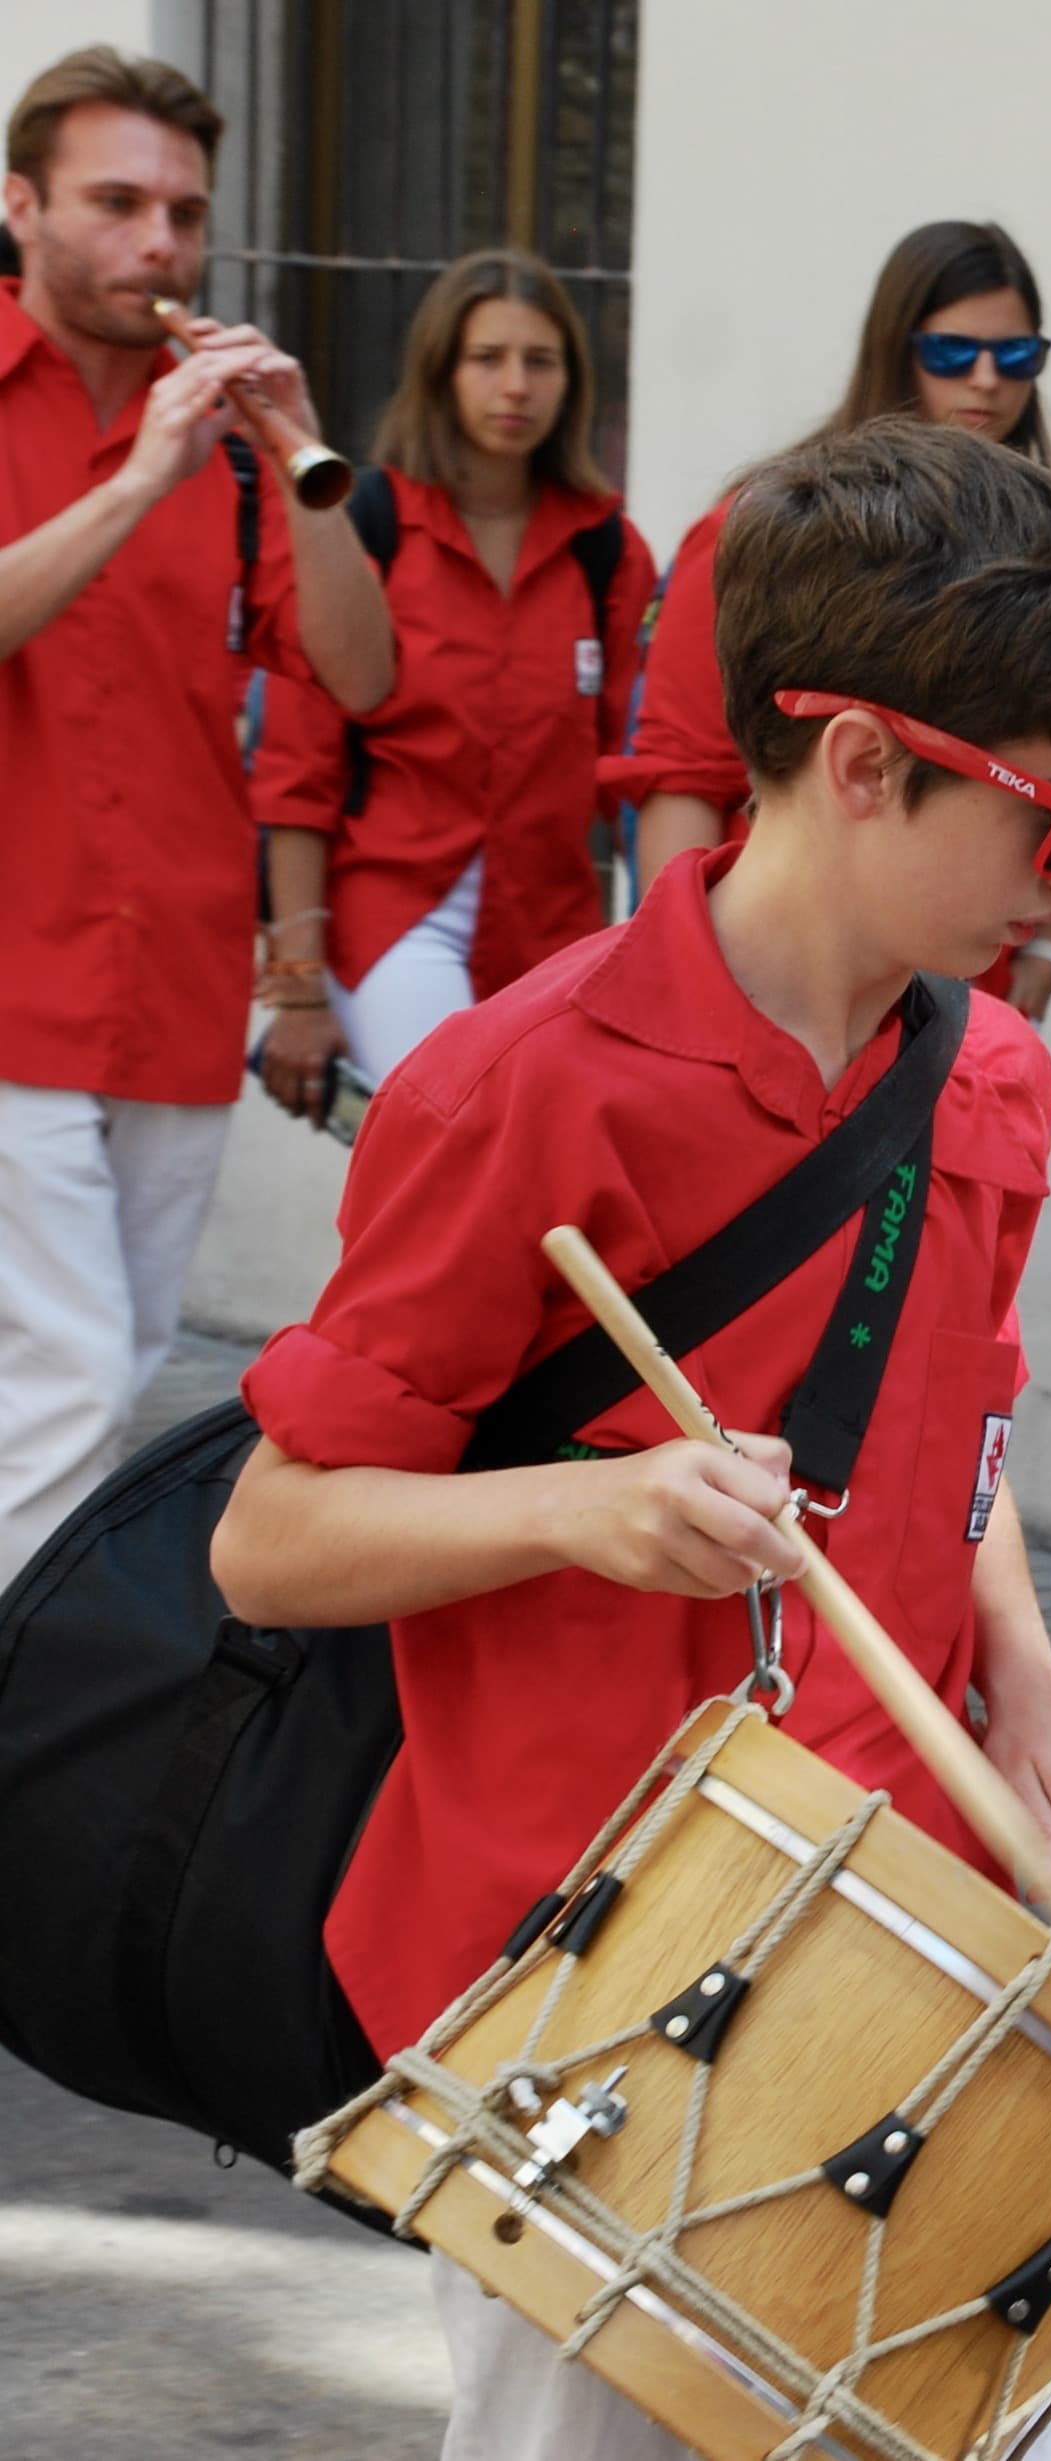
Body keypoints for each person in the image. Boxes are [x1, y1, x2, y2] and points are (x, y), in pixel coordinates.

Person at [211, 417, 1051, 2461]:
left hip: (893, 1914)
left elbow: (958, 1429)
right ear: (858, 761)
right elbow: (271, 1543)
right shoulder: (514, 1090)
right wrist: (594, 1503)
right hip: (580, 1946)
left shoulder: (990, 1073)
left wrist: (1037, 1695)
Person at [0, 45, 393, 1583]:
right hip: (7, 977)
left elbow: (356, 677)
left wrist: (302, 462)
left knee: (94, 1377)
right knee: (75, 1379)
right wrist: (134, 474)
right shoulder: (126, 438)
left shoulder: (229, 451)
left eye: (182, 211)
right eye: (116, 204)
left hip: (166, 976)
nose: (158, 245)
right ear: (20, 205)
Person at [613, 219, 1051, 1016]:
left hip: (963, 1005)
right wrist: (694, 998)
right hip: (785, 991)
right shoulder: (758, 531)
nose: (988, 380)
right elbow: (681, 778)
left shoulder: (1047, 544)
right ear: (897, 349)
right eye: (952, 353)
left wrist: (1049, 939)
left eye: (1018, 356)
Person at [248, 247, 657, 1105]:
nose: (515, 386)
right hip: (393, 916)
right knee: (457, 1131)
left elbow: (634, 774)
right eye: (488, 359)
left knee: (529, 1181)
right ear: (441, 371)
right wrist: (298, 985)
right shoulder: (362, 521)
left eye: (539, 361)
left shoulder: (607, 551)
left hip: (549, 930)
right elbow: (297, 772)